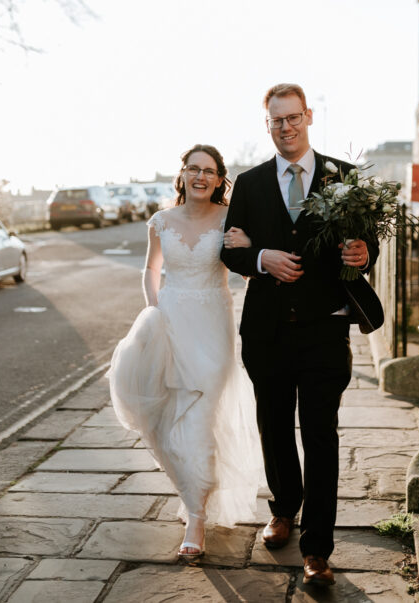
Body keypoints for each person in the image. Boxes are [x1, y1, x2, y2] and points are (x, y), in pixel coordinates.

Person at [220, 83, 377, 587]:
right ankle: (283, 508)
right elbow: (230, 250)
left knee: (321, 435)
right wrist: (260, 258)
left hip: (323, 332)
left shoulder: (343, 177)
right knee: (274, 427)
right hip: (265, 333)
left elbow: (367, 239)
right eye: (276, 121)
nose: (285, 127)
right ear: (266, 124)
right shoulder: (248, 183)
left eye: (292, 118)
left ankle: (318, 549)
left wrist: (362, 252)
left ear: (308, 116)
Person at [107, 144, 262, 561]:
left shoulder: (232, 220)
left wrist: (247, 245)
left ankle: (196, 517)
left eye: (209, 171)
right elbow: (151, 269)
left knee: (198, 417)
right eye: (193, 169)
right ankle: (192, 493)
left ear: (219, 179)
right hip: (170, 324)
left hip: (212, 327)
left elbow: (247, 264)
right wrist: (154, 313)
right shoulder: (160, 222)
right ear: (183, 175)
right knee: (167, 422)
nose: (200, 176)